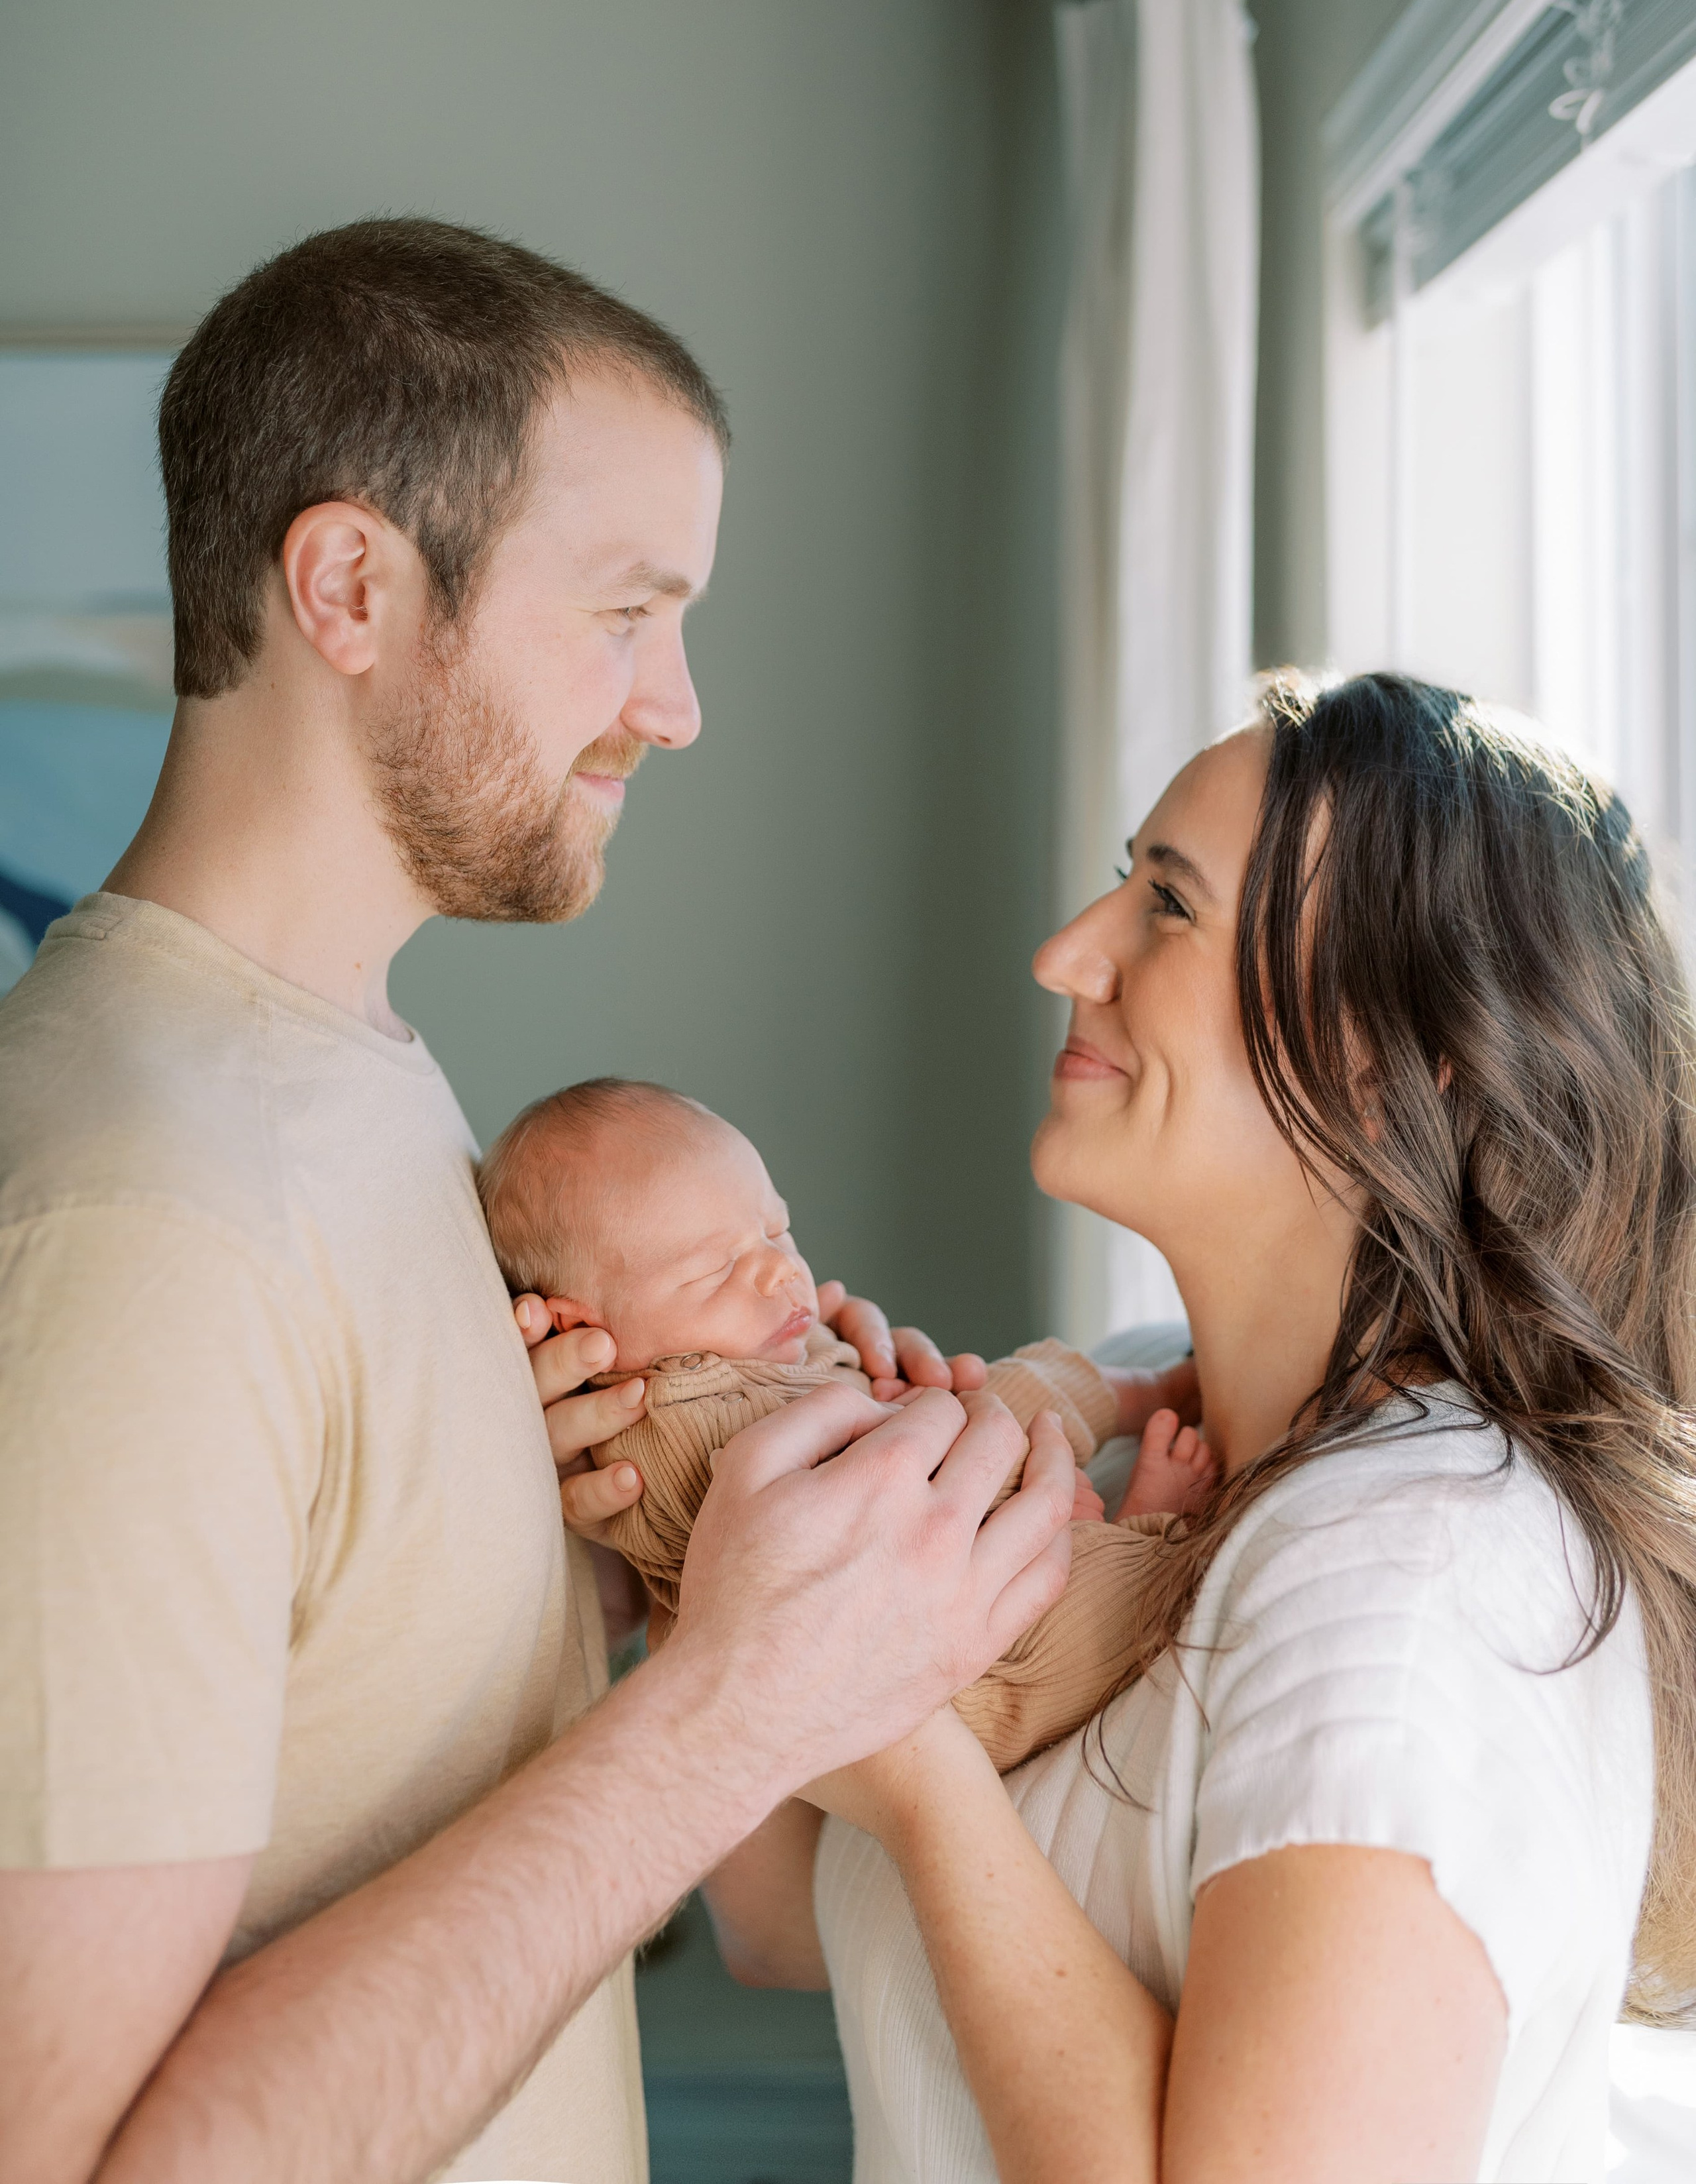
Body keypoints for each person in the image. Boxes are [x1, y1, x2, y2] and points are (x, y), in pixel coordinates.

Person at [0, 217, 1079, 2184]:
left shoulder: (356, 1086)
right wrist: (743, 1700)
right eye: (623, 610)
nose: (673, 704)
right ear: (350, 585)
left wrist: (603, 1571)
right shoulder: (142, 1210)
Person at [703, 673, 1696, 2184]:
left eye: (1166, 904)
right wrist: (682, 1480)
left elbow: (901, 1801)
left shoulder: (1410, 1588)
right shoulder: (1120, 1422)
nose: (1063, 951)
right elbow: (786, 1919)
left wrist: (919, 1763)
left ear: (1391, 1055)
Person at [480, 1075, 1213, 1769]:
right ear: (584, 1326)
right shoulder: (660, 1423)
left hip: (938, 1538)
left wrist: (840, 1350)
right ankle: (1145, 1532)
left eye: (776, 1230)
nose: (778, 1272)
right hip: (961, 1671)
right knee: (1079, 1605)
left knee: (1009, 1390)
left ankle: (1157, 1388)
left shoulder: (726, 1349)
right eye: (712, 1270)